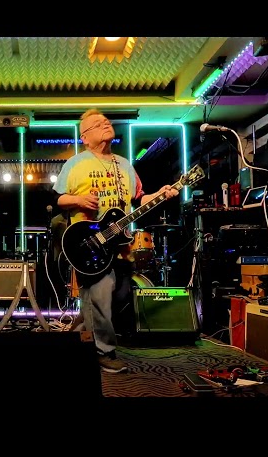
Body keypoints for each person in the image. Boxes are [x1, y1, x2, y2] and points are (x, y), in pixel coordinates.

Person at [52, 108, 179, 373]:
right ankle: (104, 351)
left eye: (107, 121)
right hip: (90, 244)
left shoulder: (124, 164)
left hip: (121, 246)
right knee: (99, 298)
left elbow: (139, 199)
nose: (106, 124)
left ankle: (79, 336)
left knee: (119, 295)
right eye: (98, 124)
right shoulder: (75, 164)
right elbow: (58, 199)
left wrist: (161, 194)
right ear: (85, 137)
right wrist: (78, 199)